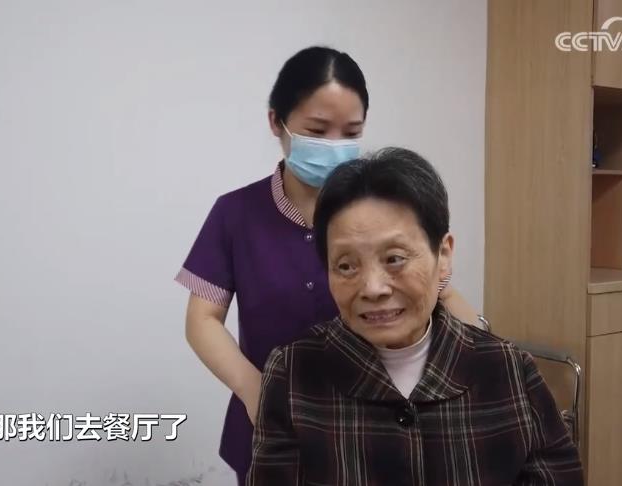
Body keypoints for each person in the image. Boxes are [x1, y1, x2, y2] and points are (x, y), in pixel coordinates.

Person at [174, 46, 481, 484]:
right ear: (277, 122)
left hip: (374, 423)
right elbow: (202, 320)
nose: (335, 147)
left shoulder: (384, 209)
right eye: (318, 131)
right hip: (271, 425)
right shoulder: (235, 213)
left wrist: (489, 361)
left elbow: (440, 292)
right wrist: (256, 391)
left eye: (350, 132)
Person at [247, 148, 584, 485]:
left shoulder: (507, 369)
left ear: (444, 255)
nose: (373, 288)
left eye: (394, 258)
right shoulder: (293, 372)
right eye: (346, 266)